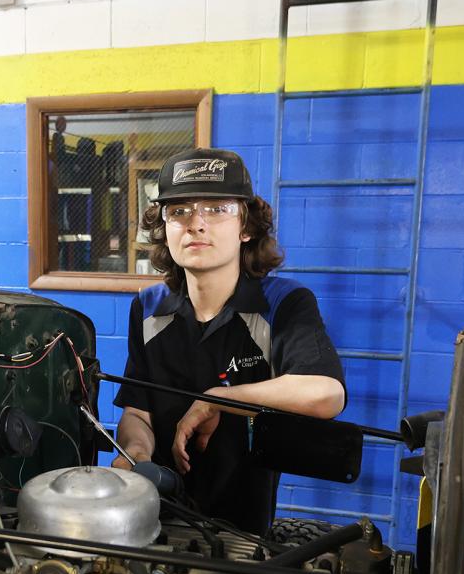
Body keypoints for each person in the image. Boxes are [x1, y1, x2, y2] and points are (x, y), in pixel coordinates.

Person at [112, 148, 345, 535]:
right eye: (179, 210)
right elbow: (138, 412)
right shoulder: (148, 307)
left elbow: (326, 394)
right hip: (154, 521)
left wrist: (217, 400)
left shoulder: (282, 303)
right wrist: (134, 455)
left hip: (243, 532)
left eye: (217, 209)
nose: (195, 224)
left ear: (246, 227)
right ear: (164, 228)